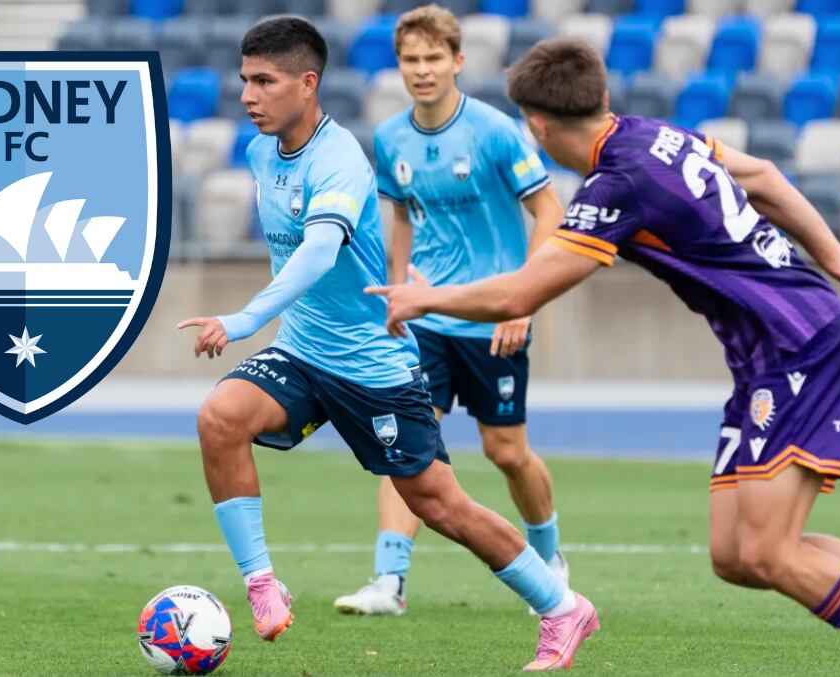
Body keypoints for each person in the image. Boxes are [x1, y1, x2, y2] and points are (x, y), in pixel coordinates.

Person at [368, 38, 840, 677]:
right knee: (736, 553)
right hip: (771, 353)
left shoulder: (616, 186)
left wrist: (424, 299)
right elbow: (766, 178)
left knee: (772, 552)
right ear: (604, 98)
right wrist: (836, 262)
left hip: (800, 348)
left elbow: (522, 292)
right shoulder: (653, 135)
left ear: (537, 126)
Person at [177, 20, 598, 671]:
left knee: (441, 503)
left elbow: (319, 250)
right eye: (244, 81)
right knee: (219, 417)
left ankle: (561, 604)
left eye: (264, 81)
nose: (248, 95)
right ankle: (265, 583)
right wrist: (396, 282)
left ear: (307, 83)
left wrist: (243, 318)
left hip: (374, 367)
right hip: (303, 352)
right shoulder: (263, 154)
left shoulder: (341, 157)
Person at [333, 4, 568, 617]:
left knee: (506, 451)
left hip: (495, 315)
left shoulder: (493, 131)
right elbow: (403, 218)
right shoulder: (389, 138)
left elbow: (550, 211)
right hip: (426, 319)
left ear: (457, 61)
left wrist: (526, 296)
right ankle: (389, 581)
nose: (422, 70)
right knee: (406, 444)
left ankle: (549, 557)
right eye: (411, 59)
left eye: (433, 58)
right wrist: (396, 297)